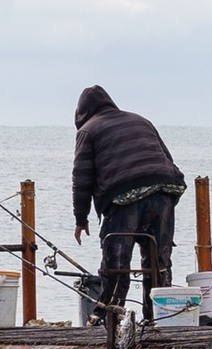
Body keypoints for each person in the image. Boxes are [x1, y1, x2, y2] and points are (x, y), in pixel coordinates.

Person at [71, 86, 187, 319]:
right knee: (158, 261)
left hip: (123, 196)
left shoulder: (88, 130)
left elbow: (81, 178)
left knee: (116, 262)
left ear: (81, 113)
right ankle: (157, 317)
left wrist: (81, 219)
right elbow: (166, 158)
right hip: (165, 189)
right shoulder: (141, 120)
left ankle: (109, 315)